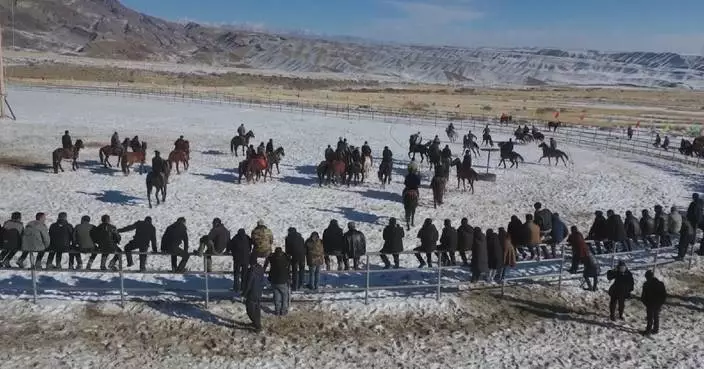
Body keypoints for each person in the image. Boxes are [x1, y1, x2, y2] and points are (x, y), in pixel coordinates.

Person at [265, 247, 291, 316]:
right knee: (285, 296)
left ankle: (277, 310)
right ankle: (283, 311)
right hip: (283, 281)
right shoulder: (284, 259)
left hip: (274, 281)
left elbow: (269, 257)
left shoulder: (273, 259)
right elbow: (289, 259)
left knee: (276, 297)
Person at [640, 270, 667, 335]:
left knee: (650, 318)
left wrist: (646, 303)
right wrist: (661, 303)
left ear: (647, 277)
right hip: (658, 304)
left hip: (650, 304)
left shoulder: (646, 284)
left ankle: (648, 331)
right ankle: (656, 329)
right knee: (656, 316)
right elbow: (664, 295)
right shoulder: (660, 283)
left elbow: (643, 296)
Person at [242, 258, 264, 332]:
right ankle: (257, 323)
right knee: (257, 309)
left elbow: (249, 284)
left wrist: (244, 294)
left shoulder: (251, 271)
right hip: (259, 292)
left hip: (252, 293)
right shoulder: (260, 269)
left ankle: (257, 325)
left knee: (250, 310)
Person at [229, 228, 252, 292]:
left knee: (236, 273)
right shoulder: (247, 238)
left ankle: (236, 288)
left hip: (237, 259)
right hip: (246, 259)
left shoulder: (235, 238)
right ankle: (243, 287)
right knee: (244, 274)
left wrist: (233, 252)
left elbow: (230, 246)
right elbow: (250, 247)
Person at [285, 227, 306, 291]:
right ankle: (301, 284)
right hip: (302, 256)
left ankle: (295, 285)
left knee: (295, 271)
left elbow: (287, 249)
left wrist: (288, 256)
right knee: (302, 270)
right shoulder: (301, 238)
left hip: (295, 256)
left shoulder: (288, 238)